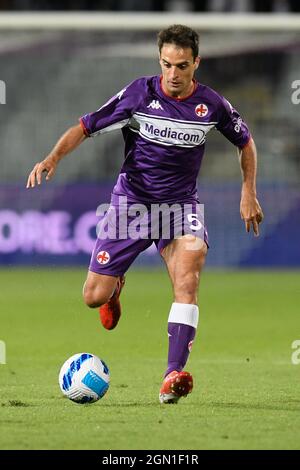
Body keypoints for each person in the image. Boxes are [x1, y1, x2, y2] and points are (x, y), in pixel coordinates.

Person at [26, 24, 263, 404]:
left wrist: (248, 191)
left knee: (188, 278)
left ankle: (172, 375)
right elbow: (85, 126)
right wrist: (52, 158)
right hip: (131, 204)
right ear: (160, 61)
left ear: (196, 63)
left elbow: (245, 142)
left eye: (182, 66)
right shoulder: (139, 93)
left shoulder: (212, 105)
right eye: (166, 65)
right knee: (92, 296)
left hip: (180, 206)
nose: (173, 74)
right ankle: (114, 288)